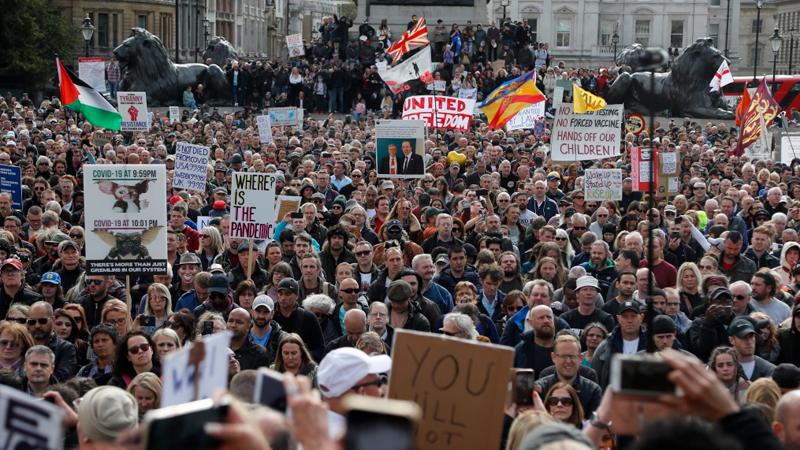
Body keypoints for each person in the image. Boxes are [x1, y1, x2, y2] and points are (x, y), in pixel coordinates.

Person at [316, 347, 392, 440]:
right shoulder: (349, 440)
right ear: (362, 393)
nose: (381, 391)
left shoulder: (315, 427)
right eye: (378, 383)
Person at [535, 333, 602, 415]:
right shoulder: (540, 388)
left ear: (580, 358)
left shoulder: (593, 391)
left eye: (572, 356)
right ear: (553, 357)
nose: (568, 361)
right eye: (563, 356)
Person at [592, 301, 647, 388]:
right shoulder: (605, 346)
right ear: (618, 319)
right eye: (625, 317)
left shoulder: (650, 345)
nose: (629, 320)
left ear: (641, 317)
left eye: (633, 316)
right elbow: (596, 379)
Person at [26, 301, 77, 381]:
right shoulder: (23, 344)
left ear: (53, 320)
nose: (37, 326)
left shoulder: (66, 348)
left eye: (42, 321)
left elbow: (62, 379)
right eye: (32, 322)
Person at [727, 315, 775, 381]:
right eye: (743, 337)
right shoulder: (721, 368)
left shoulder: (770, 370)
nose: (749, 342)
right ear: (731, 340)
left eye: (751, 336)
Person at [514, 305, 556, 376]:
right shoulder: (521, 350)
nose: (546, 321)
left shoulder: (564, 347)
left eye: (549, 317)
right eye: (541, 318)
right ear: (531, 322)